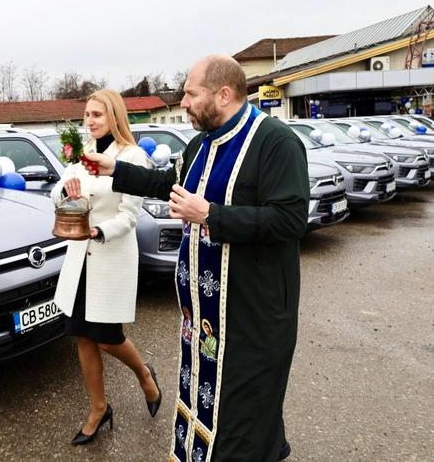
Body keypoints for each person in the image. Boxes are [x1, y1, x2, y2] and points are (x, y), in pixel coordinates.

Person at [82, 56, 309, 461]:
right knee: (209, 412)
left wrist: (210, 215)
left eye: (190, 92)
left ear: (223, 94)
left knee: (244, 423)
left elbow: (291, 219)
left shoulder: (275, 142)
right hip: (204, 320)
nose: (182, 101)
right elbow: (169, 184)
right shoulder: (201, 144)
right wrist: (114, 168)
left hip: (252, 319)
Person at [51, 89, 162, 446]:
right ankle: (99, 409)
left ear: (114, 115)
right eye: (87, 115)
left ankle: (145, 375)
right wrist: (66, 192)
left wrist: (100, 231)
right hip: (80, 259)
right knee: (82, 335)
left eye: (97, 114)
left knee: (109, 338)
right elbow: (57, 195)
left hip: (110, 255)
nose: (91, 121)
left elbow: (130, 215)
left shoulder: (131, 157)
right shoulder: (82, 153)